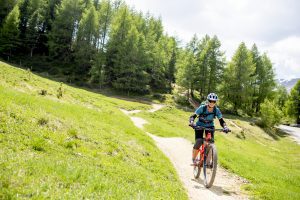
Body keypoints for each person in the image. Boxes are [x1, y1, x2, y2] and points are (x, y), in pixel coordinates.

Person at [189, 93, 230, 165]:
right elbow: (193, 116)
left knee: (211, 142)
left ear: (215, 102)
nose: (212, 103)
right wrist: (192, 122)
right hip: (199, 126)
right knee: (198, 141)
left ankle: (208, 162)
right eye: (210, 101)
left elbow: (221, 120)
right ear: (208, 101)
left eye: (214, 101)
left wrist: (225, 127)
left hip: (210, 126)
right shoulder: (202, 108)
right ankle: (194, 159)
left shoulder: (216, 110)